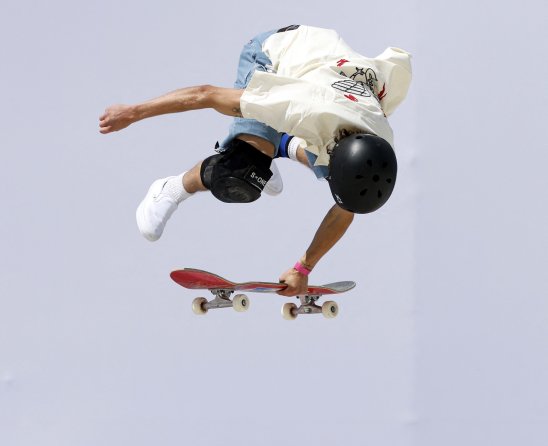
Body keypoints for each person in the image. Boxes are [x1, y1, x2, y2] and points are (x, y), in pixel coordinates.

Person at [99, 25, 412, 295]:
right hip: (274, 54)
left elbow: (346, 209)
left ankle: (280, 145)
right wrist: (133, 112)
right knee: (243, 174)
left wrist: (303, 269)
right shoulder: (296, 104)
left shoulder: (380, 140)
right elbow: (206, 94)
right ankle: (175, 187)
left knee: (318, 159)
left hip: (329, 74)